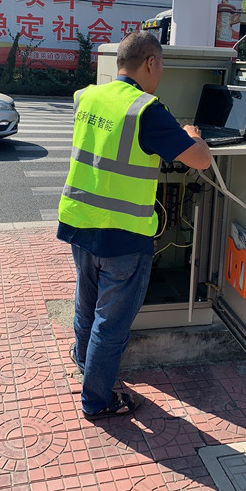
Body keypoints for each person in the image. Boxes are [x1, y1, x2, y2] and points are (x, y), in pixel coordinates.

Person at [57, 30, 212, 419]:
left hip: (80, 222)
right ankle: (97, 401)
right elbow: (200, 160)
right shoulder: (146, 110)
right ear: (150, 63)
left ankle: (84, 360)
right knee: (111, 325)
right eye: (161, 66)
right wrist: (191, 134)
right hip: (123, 236)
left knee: (87, 304)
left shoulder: (88, 96)